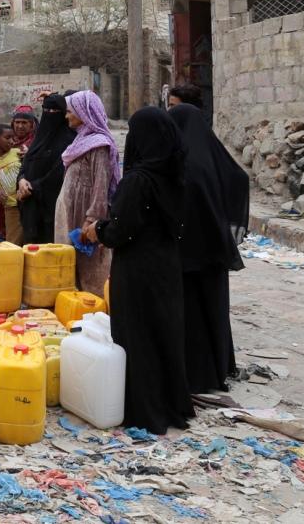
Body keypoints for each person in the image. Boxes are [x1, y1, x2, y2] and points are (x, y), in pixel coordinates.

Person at [83, 107, 194, 434]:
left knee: (138, 335)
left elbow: (120, 232)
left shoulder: (138, 181)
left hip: (137, 270)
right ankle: (171, 404)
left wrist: (97, 231)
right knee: (164, 333)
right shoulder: (174, 176)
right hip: (166, 267)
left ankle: (145, 409)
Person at [170, 103, 250, 393]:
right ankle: (219, 366)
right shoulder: (210, 156)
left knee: (193, 315)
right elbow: (239, 178)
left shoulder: (187, 165)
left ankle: (199, 374)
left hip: (190, 254)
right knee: (214, 311)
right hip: (213, 251)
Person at [54, 91, 120, 296]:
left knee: (91, 271)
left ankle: (96, 315)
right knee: (68, 266)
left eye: (70, 112)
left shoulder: (99, 144)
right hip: (70, 212)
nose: (66, 117)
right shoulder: (80, 141)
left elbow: (101, 186)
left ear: (83, 112)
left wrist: (92, 220)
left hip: (84, 215)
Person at [17, 93, 78, 244]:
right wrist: (21, 180)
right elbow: (26, 164)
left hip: (53, 209)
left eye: (54, 111)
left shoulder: (70, 141)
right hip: (31, 207)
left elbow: (59, 174)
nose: (49, 115)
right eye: (46, 110)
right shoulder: (40, 137)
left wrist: (31, 188)